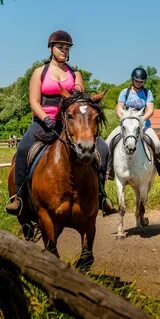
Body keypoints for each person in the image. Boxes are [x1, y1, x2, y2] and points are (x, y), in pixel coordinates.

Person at [5, 30, 117, 217]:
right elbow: (33, 101)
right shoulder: (39, 73)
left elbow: (80, 100)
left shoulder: (75, 74)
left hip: (71, 123)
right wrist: (46, 119)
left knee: (103, 149)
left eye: (67, 48)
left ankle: (101, 196)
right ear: (51, 48)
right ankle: (19, 197)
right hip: (43, 121)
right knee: (23, 149)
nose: (64, 51)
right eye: (60, 47)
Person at [105, 67, 160, 179]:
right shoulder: (125, 92)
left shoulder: (147, 92)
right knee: (109, 141)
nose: (139, 83)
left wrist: (142, 119)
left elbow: (150, 109)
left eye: (141, 82)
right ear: (132, 80)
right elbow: (119, 107)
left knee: (156, 144)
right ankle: (108, 170)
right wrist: (123, 118)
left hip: (143, 125)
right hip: (126, 125)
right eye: (137, 81)